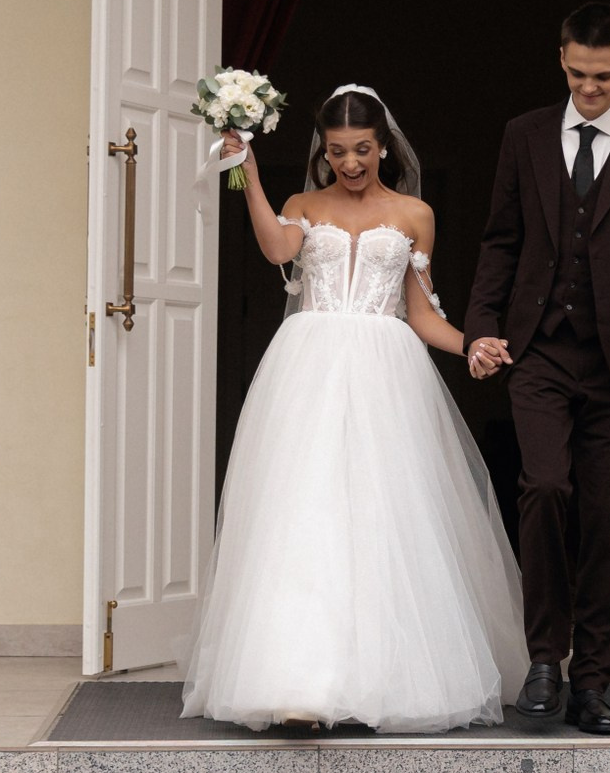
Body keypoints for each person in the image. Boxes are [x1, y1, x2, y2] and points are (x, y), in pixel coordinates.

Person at [184, 86, 527, 732]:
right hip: (308, 367)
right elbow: (278, 252)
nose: (350, 163)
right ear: (324, 151)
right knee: (305, 513)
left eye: (362, 150)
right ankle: (298, 685)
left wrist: (471, 344)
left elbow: (422, 313)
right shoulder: (302, 205)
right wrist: (250, 175)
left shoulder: (415, 213)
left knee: (386, 518)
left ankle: (388, 680)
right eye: (338, 151)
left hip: (385, 374)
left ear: (383, 146)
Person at [464, 3, 610, 735]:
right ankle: (544, 657)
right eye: (575, 74)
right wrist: (481, 327)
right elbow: (500, 240)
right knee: (544, 486)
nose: (588, 88)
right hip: (537, 349)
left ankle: (593, 681)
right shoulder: (525, 136)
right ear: (560, 60)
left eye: (602, 76)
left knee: (602, 514)